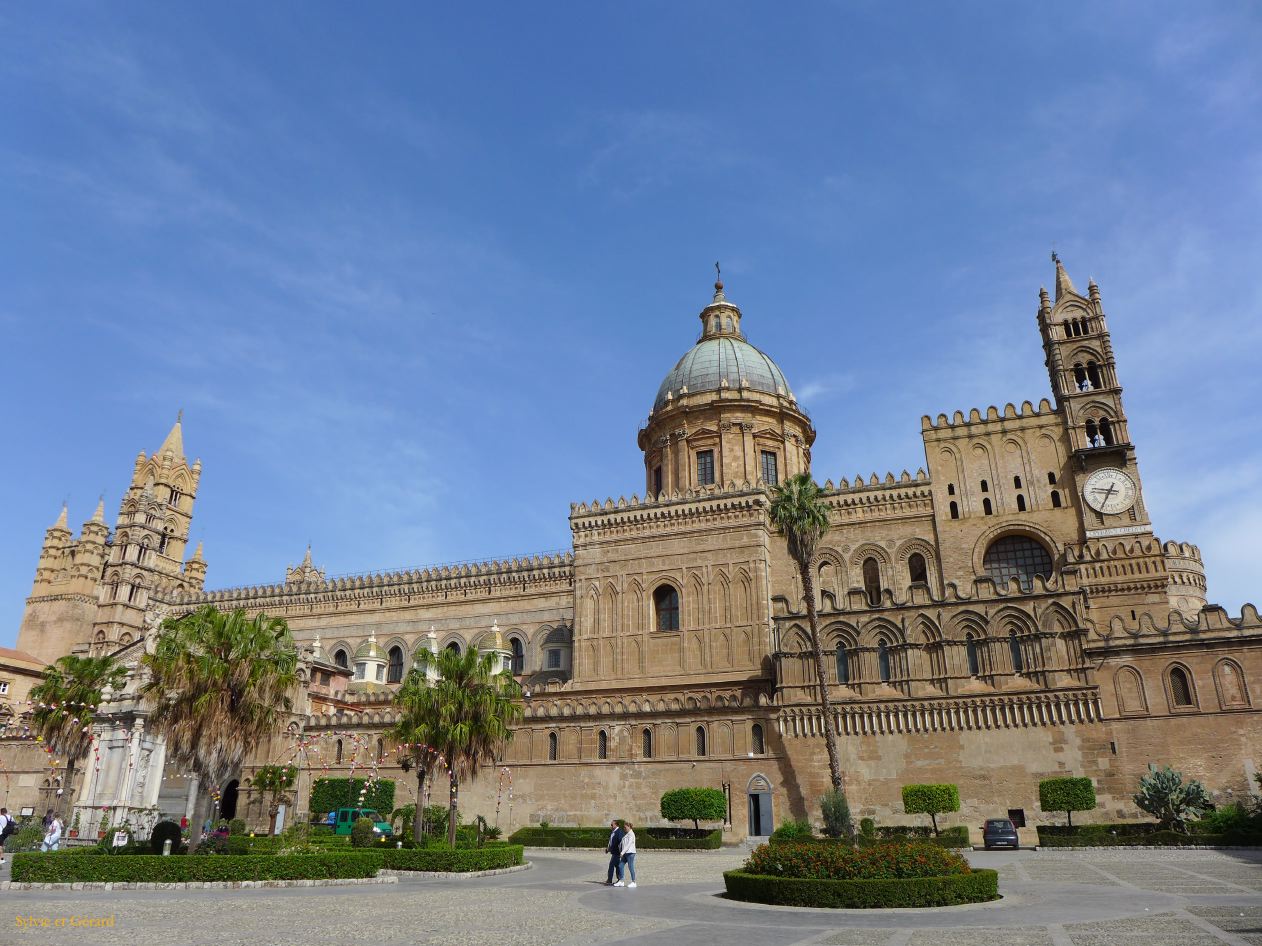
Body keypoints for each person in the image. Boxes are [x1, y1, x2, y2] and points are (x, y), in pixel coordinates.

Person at [614, 821, 637, 888]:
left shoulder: (631, 834)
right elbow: (623, 843)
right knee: (620, 865)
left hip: (630, 853)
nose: (624, 828)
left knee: (630, 867)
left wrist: (622, 853)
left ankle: (634, 882)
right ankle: (621, 881)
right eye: (624, 827)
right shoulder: (627, 834)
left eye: (625, 827)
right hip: (626, 853)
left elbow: (628, 845)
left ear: (629, 827)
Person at [604, 820, 625, 885]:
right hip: (614, 852)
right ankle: (619, 879)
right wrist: (608, 848)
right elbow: (611, 841)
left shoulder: (619, 831)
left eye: (612, 825)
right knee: (617, 866)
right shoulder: (613, 831)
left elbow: (620, 841)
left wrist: (621, 851)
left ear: (616, 825)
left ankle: (610, 880)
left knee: (611, 865)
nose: (611, 826)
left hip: (617, 852)